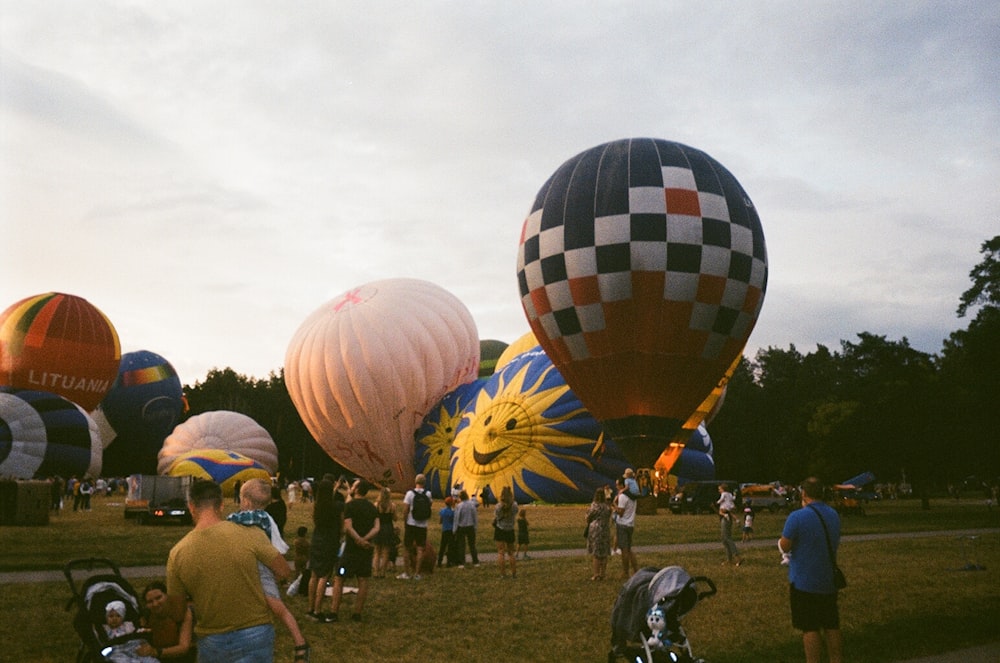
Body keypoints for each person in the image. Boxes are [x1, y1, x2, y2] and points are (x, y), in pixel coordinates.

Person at [166, 479, 291, 663]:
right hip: (255, 633)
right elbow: (284, 571)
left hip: (211, 640)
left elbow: (177, 613)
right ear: (221, 505)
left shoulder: (177, 553)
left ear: (191, 507)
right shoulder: (251, 534)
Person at [227, 479, 309, 661]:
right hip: (263, 565)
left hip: (251, 567)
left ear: (246, 501)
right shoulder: (268, 519)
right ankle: (299, 640)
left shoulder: (241, 518)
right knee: (277, 607)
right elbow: (277, 545)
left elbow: (229, 529)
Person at [779, 477, 843, 663]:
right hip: (828, 579)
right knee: (831, 624)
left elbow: (785, 545)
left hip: (804, 581)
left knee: (810, 628)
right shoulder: (833, 514)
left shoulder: (797, 517)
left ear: (803, 493)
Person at [329, 479, 380, 622]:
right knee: (363, 579)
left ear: (356, 490)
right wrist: (365, 540)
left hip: (351, 549)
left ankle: (334, 611)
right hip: (366, 550)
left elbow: (348, 526)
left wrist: (358, 539)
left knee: (339, 578)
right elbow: (377, 527)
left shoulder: (350, 506)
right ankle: (357, 613)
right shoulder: (372, 507)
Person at [307, 478, 345, 623]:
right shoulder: (337, 507)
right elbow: (342, 528)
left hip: (317, 539)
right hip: (330, 541)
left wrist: (334, 488)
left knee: (314, 575)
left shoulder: (318, 505)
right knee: (324, 576)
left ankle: (310, 608)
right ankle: (318, 610)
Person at [135, 581, 195, 662]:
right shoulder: (146, 615)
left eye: (158, 598)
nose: (155, 604)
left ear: (167, 596)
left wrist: (155, 652)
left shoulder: (182, 612)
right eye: (150, 602)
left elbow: (183, 647)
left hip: (182, 658)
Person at [398, 473, 432, 580]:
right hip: (422, 525)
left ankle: (407, 573)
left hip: (411, 524)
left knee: (407, 548)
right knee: (420, 549)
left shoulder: (410, 494)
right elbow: (429, 506)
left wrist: (405, 521)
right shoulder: (428, 494)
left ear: (415, 482)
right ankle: (417, 573)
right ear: (424, 483)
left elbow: (406, 509)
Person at [613, 478, 639, 579]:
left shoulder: (623, 497)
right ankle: (636, 569)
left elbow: (621, 512)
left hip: (622, 524)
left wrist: (614, 506)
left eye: (617, 484)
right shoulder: (633, 497)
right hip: (630, 524)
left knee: (624, 550)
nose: (616, 487)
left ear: (622, 485)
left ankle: (625, 572)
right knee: (628, 549)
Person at [586, 487, 612, 580]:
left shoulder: (594, 505)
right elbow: (609, 516)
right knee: (604, 553)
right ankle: (603, 574)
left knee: (596, 553)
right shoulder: (607, 507)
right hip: (605, 529)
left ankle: (596, 574)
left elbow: (588, 518)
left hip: (595, 530)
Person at [493, 486, 518, 578]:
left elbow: (496, 516)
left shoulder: (498, 506)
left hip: (500, 529)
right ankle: (514, 573)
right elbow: (515, 513)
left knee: (501, 552)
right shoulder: (515, 505)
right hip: (510, 529)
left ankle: (503, 574)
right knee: (511, 552)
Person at [372, 487, 397, 578]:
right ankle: (383, 572)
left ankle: (376, 572)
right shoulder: (392, 506)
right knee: (386, 552)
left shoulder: (376, 505)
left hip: (378, 527)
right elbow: (395, 518)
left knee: (377, 551)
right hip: (388, 528)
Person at [452, 489, 480, 567]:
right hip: (470, 527)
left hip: (461, 527)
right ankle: (476, 562)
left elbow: (456, 518)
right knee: (472, 545)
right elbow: (475, 517)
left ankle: (461, 562)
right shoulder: (472, 505)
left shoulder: (459, 506)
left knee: (461, 545)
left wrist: (454, 529)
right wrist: (475, 527)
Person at [437, 496, 456, 568]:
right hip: (450, 530)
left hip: (444, 530)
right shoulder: (452, 512)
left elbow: (440, 521)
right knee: (450, 546)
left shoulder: (442, 511)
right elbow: (453, 521)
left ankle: (439, 562)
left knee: (442, 546)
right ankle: (449, 562)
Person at [292, 526, 311, 596]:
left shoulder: (296, 541)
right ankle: (302, 585)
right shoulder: (306, 542)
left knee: (297, 572)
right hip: (304, 558)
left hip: (297, 557)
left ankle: (295, 584)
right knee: (303, 572)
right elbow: (308, 551)